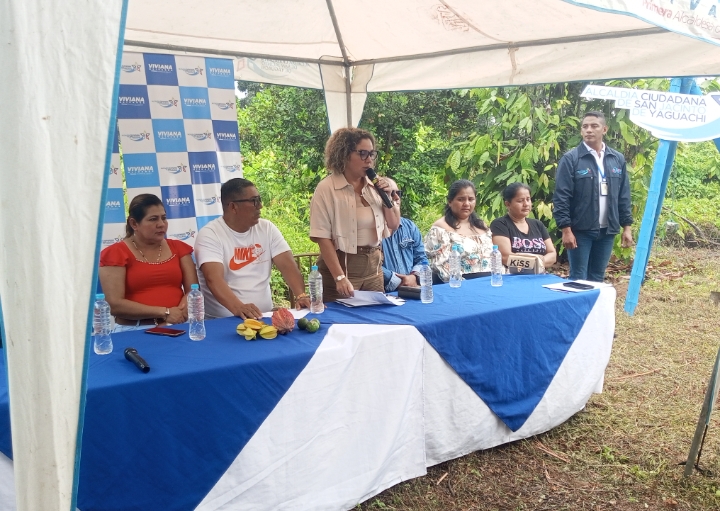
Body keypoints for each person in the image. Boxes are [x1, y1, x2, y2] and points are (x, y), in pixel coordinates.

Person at [195, 178, 311, 319]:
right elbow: (213, 279)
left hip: (264, 317)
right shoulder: (210, 234)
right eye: (254, 201)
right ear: (233, 207)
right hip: (225, 321)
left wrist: (301, 295)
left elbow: (288, 265)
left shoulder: (267, 228)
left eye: (259, 199)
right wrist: (239, 308)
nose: (260, 206)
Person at [310, 127, 401, 301]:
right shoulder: (327, 188)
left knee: (376, 315)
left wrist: (387, 196)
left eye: (371, 154)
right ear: (344, 154)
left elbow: (394, 224)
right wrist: (339, 277)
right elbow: (322, 237)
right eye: (362, 153)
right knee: (342, 316)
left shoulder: (375, 185)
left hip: (373, 267)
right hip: (342, 267)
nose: (369, 160)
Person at [99, 194, 198, 332]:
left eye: (164, 218)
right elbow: (114, 305)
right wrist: (165, 313)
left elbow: (193, 290)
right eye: (153, 219)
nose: (161, 224)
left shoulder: (179, 248)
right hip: (135, 329)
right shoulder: (115, 253)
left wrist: (176, 317)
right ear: (134, 224)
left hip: (178, 326)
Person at [553, 111, 634, 282]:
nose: (589, 130)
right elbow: (561, 197)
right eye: (585, 126)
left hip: (607, 231)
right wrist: (566, 230)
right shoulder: (571, 159)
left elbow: (623, 195)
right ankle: (578, 301)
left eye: (594, 126)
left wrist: (627, 227)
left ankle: (594, 301)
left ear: (604, 129)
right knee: (578, 278)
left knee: (597, 277)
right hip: (580, 230)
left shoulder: (616, 159)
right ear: (581, 130)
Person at [425, 179, 493, 282]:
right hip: (458, 285)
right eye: (461, 199)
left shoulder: (481, 226)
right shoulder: (440, 229)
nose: (466, 204)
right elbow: (441, 267)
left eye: (471, 199)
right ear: (450, 201)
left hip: (488, 282)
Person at [490, 183, 556, 270]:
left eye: (528, 199)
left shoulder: (538, 224)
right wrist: (535, 261)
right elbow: (505, 257)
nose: (526, 204)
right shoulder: (500, 224)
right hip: (512, 275)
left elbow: (552, 255)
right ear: (508, 204)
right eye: (520, 201)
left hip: (540, 274)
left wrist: (538, 262)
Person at [380, 178, 429, 292]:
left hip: (412, 290)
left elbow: (422, 259)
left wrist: (414, 277)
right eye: (390, 193)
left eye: (398, 193)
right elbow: (369, 265)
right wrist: (398, 281)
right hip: (382, 292)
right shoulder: (369, 229)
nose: (396, 197)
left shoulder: (410, 227)